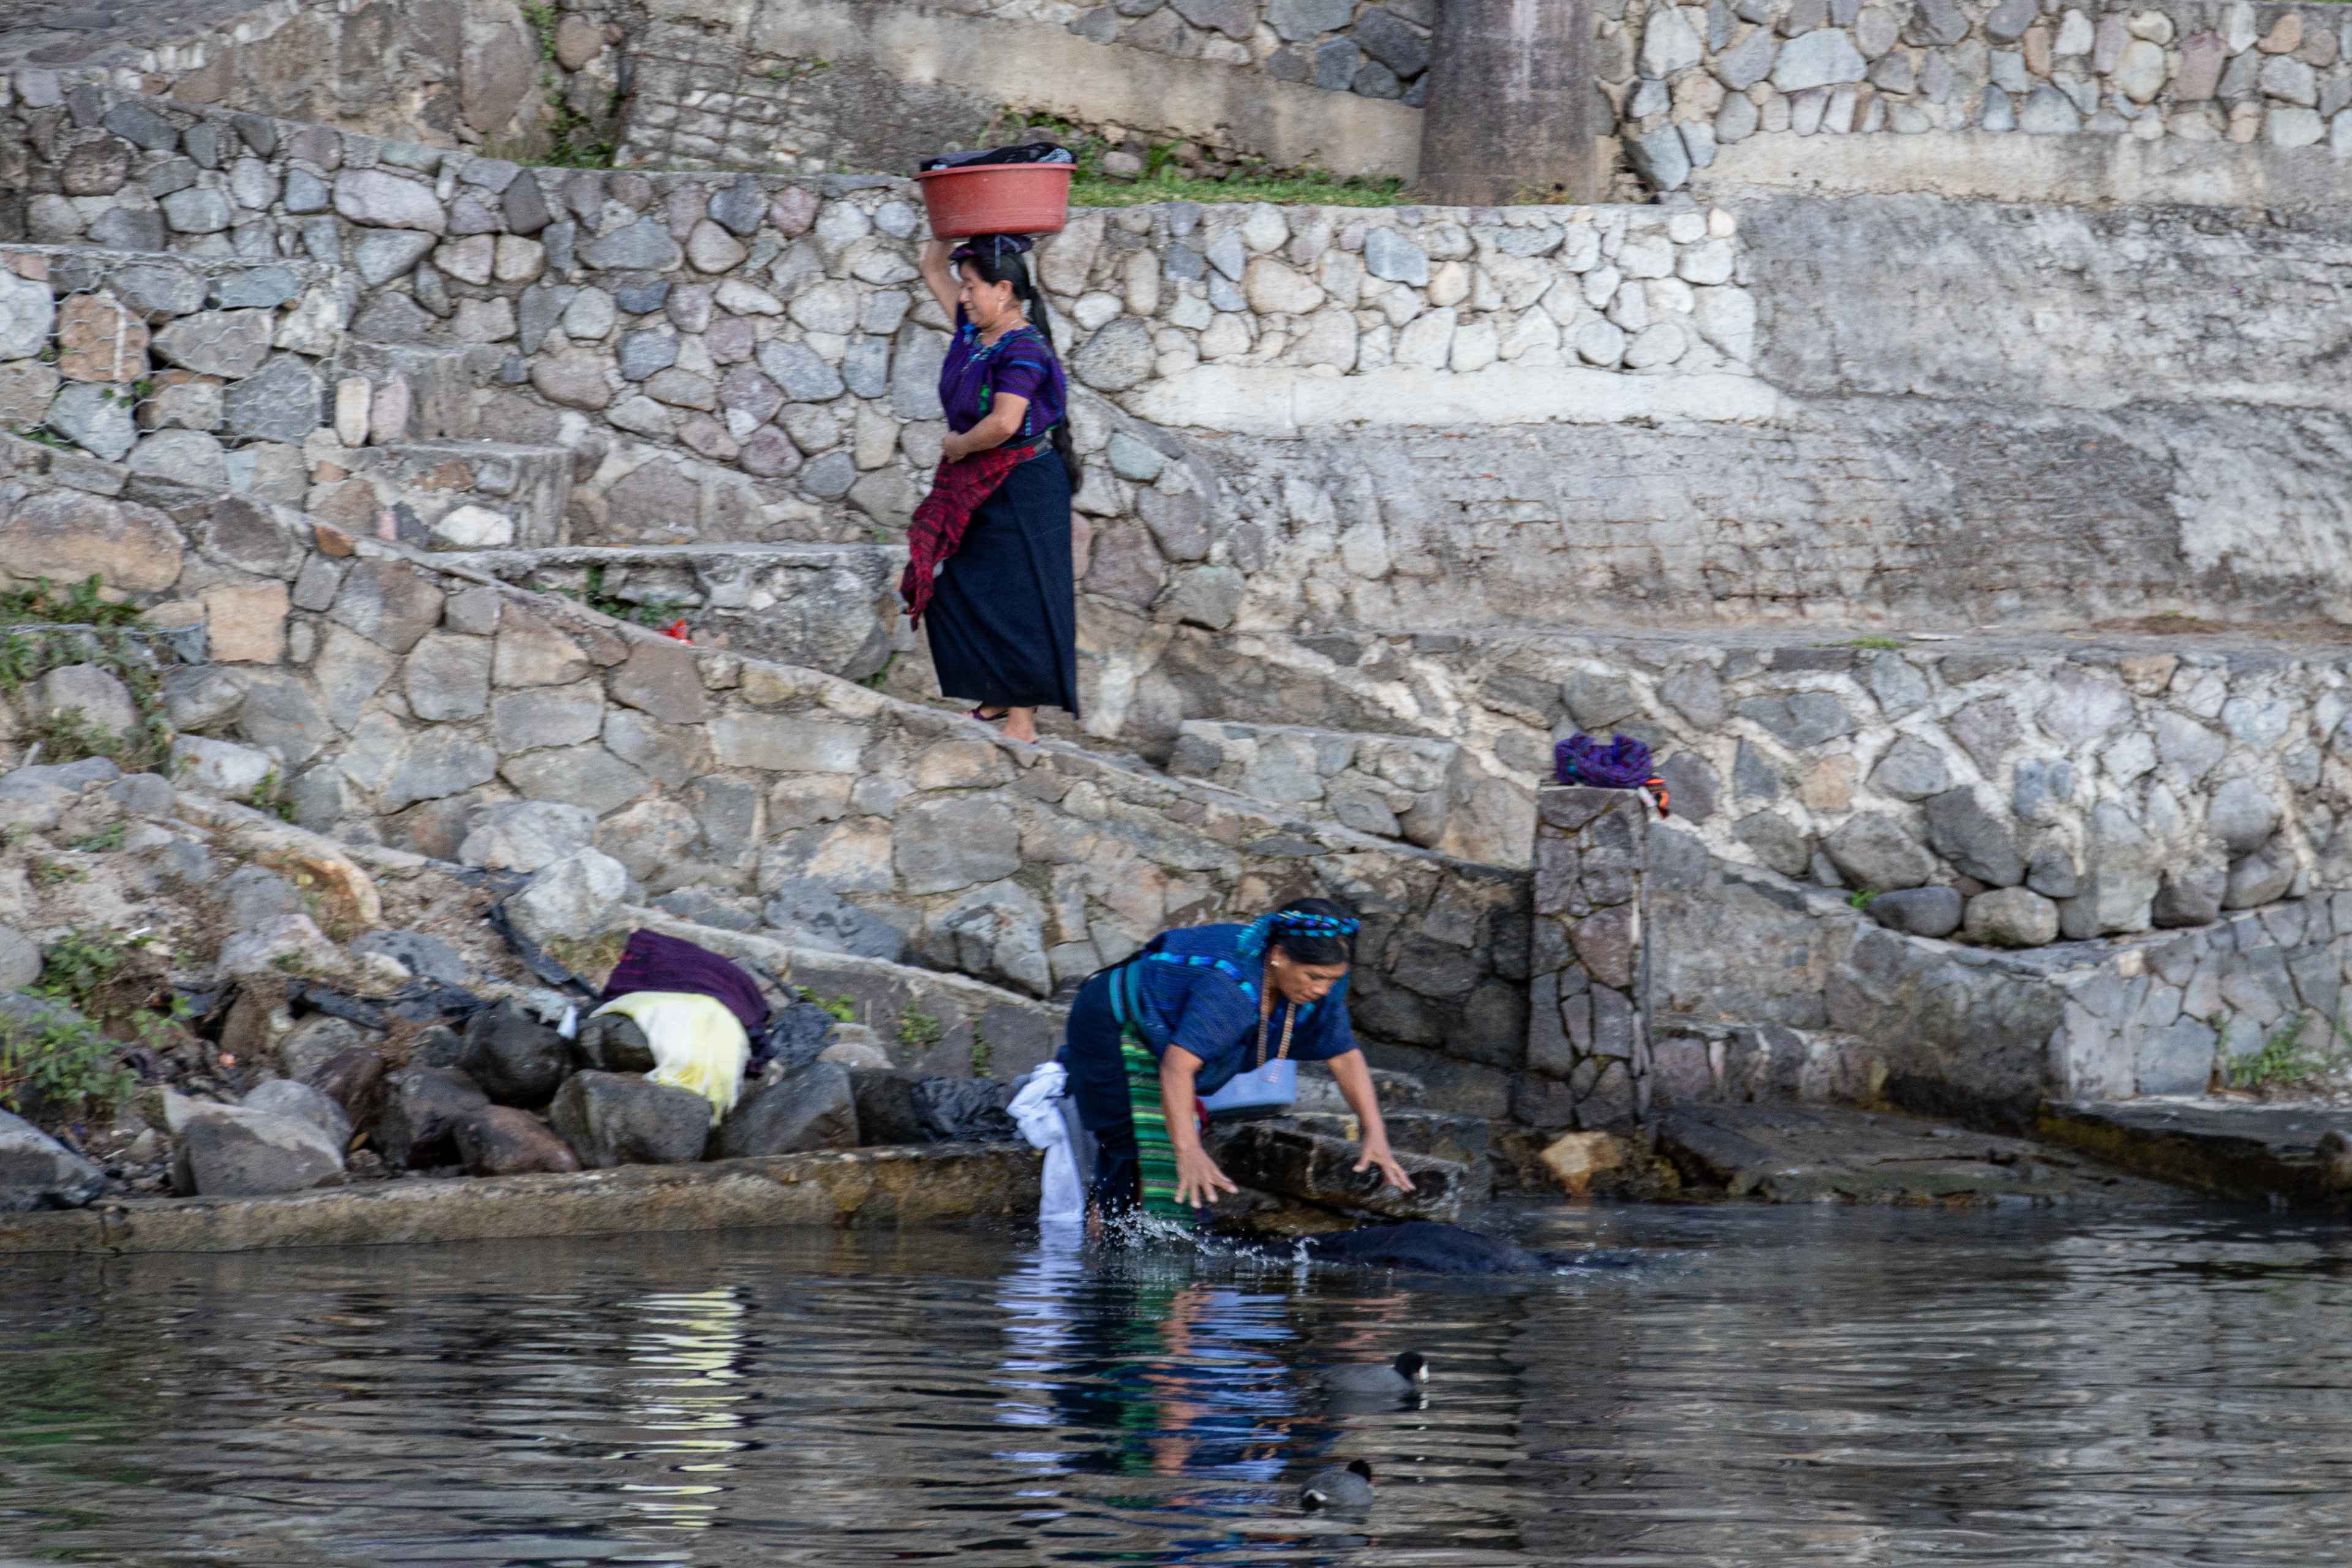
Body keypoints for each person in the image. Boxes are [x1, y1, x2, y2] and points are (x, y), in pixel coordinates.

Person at [1057, 897, 1415, 1221]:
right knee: (1140, 1141)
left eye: (1333, 978)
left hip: (1172, 1034)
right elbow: (1178, 1066)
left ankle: (1124, 1224)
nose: (1322, 989)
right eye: (1314, 977)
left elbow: (1346, 1057)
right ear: (1278, 955)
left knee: (1167, 1134)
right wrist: (1188, 1149)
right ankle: (1109, 1228)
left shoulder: (1320, 988)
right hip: (1116, 1019)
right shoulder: (1233, 987)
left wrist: (1375, 1133)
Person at [902, 232, 1080, 745]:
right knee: (956, 583)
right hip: (983, 481)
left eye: (972, 287)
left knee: (1023, 598)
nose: (962, 296)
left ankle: (1021, 721)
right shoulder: (972, 333)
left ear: (1003, 290)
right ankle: (997, 693)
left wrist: (958, 446)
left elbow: (1005, 423)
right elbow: (934, 270)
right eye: (963, 288)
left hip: (1023, 484)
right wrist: (944, 225)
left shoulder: (1024, 347)